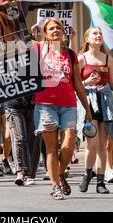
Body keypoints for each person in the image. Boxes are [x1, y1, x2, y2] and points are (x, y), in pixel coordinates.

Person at [32, 18, 92, 200]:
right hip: (45, 105)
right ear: (45, 33)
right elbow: (16, 44)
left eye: (58, 27)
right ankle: (56, 185)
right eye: (51, 28)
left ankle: (58, 173)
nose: (55, 30)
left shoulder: (71, 54)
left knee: (68, 145)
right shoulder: (38, 49)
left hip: (69, 105)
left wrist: (87, 110)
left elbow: (78, 84)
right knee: (51, 148)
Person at [77, 27, 113, 195]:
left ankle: (101, 181)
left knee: (103, 144)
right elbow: (76, 85)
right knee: (92, 143)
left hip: (104, 102)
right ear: (87, 39)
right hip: (88, 103)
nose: (98, 36)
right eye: (94, 33)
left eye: (100, 33)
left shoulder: (108, 59)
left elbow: (112, 84)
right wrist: (87, 81)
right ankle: (87, 175)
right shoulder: (81, 59)